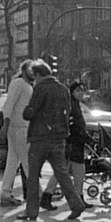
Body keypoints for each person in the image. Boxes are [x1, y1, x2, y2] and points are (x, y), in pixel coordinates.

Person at [17, 60, 87, 221]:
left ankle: (31, 211)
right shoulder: (63, 89)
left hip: (40, 138)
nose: (35, 80)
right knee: (62, 174)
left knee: (33, 176)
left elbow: (30, 112)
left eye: (35, 77)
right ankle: (76, 203)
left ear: (38, 74)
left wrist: (26, 111)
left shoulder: (40, 88)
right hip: (59, 138)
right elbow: (67, 113)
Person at [43, 81, 94, 210]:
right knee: (79, 172)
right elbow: (74, 126)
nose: (81, 93)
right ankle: (78, 198)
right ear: (72, 92)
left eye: (83, 90)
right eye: (78, 91)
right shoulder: (72, 105)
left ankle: (47, 196)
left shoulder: (73, 104)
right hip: (73, 143)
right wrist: (86, 137)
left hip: (70, 142)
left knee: (61, 171)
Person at [0, 59, 34, 208]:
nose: (33, 72)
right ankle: (36, 193)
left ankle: (6, 193)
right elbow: (9, 104)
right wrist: (5, 124)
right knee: (27, 161)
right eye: (31, 69)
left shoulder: (27, 85)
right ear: (24, 70)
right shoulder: (18, 84)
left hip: (19, 127)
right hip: (19, 127)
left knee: (13, 162)